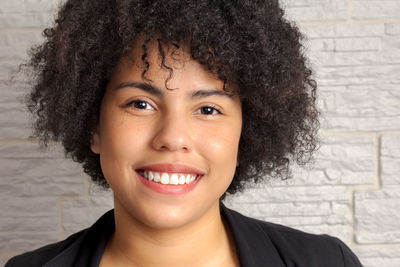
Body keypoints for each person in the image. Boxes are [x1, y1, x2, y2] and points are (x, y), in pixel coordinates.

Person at [6, 0, 362, 266]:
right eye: (140, 104)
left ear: (245, 134)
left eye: (208, 109)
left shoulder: (326, 261)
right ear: (94, 127)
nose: (173, 137)